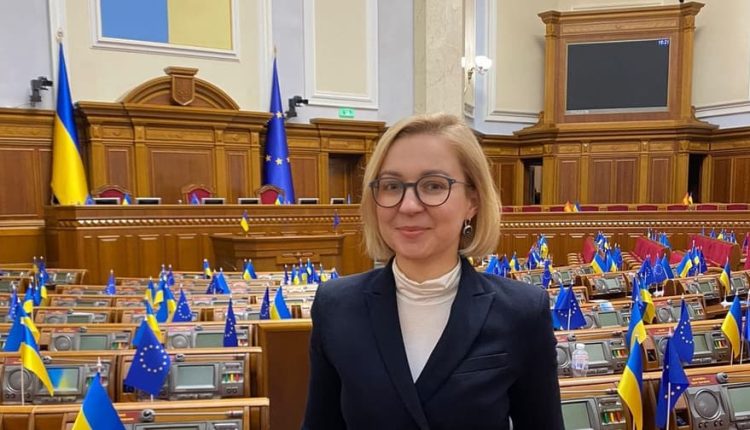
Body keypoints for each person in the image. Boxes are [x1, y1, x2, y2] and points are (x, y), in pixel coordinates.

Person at [302, 113, 563, 429]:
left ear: (472, 201)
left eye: (434, 185)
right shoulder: (335, 304)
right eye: (391, 186)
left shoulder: (522, 310)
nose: (408, 205)